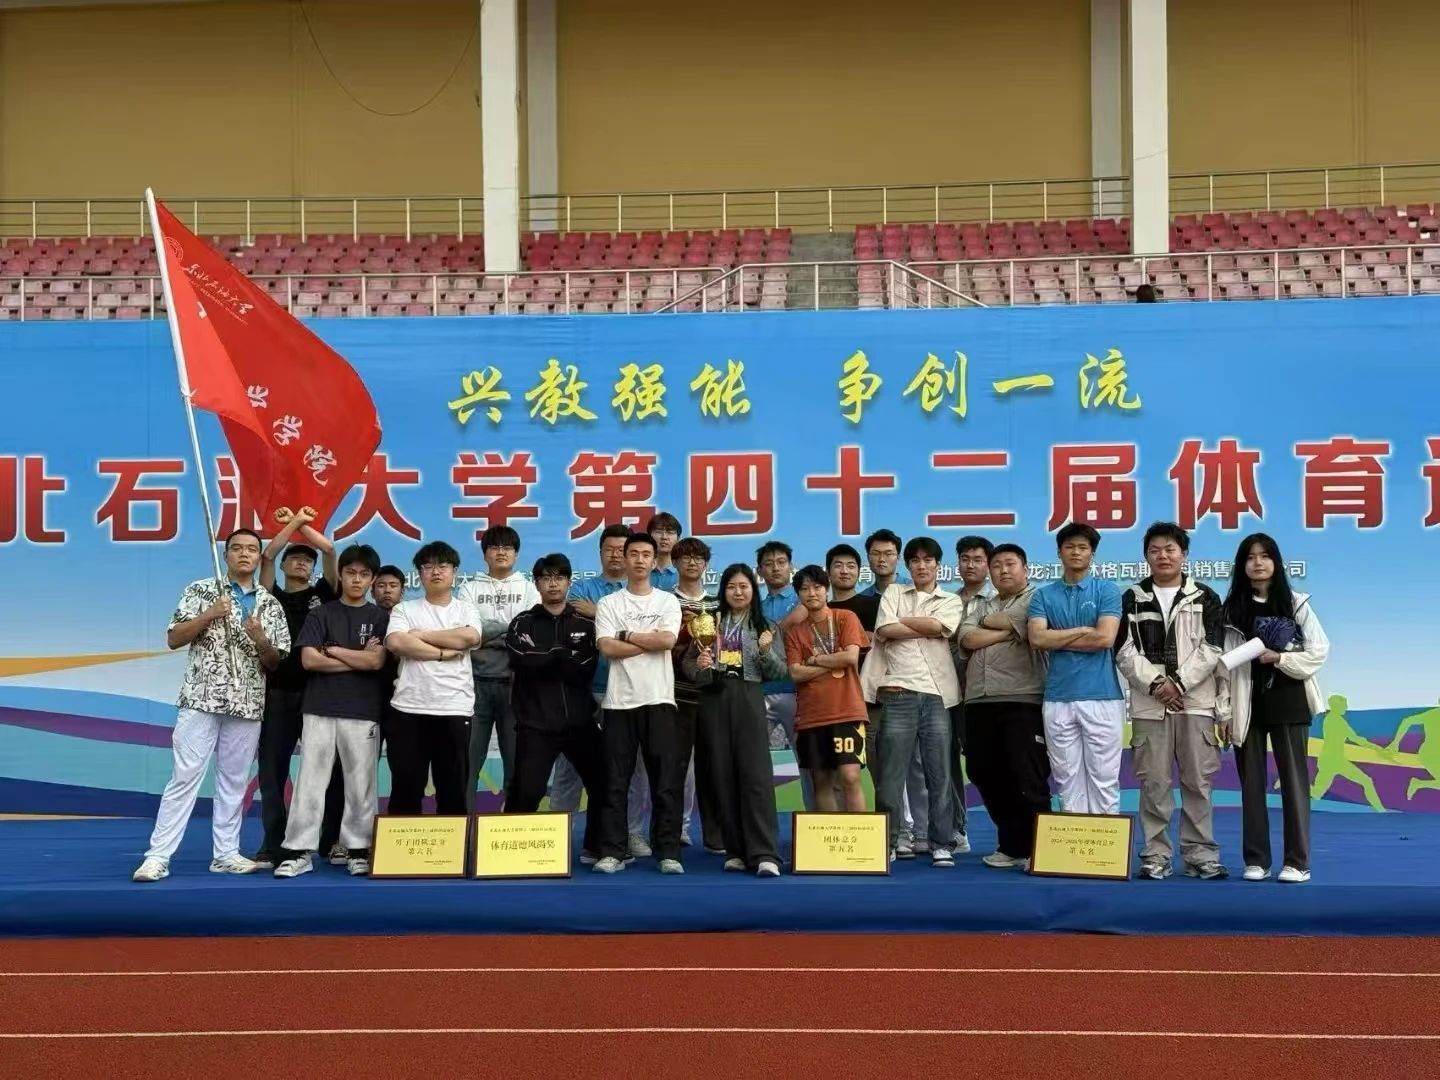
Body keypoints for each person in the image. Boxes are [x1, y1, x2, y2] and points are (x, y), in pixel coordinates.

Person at [132, 529, 290, 882]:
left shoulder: (270, 604)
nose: (244, 554)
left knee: (233, 781)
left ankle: (226, 854)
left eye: (252, 549)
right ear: (226, 555)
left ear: (260, 556)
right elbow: (174, 638)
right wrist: (209, 615)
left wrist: (260, 639)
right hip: (200, 698)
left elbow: (274, 662)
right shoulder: (200, 590)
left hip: (247, 703)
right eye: (237, 548)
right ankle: (157, 857)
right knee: (184, 777)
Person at [1116, 522, 1228, 881]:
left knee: (1198, 782)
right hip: (1150, 706)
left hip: (1196, 704)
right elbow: (1123, 650)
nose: (1163, 556)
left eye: (1170, 549)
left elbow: (1212, 647)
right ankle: (1156, 855)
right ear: (1145, 556)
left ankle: (1201, 855)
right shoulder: (1131, 597)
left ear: (1184, 554)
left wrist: (1178, 683)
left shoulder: (1205, 596)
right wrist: (1157, 685)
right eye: (1155, 550)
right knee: (1154, 784)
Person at [274, 544, 390, 879]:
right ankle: (298, 850)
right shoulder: (321, 614)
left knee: (361, 784)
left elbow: (376, 662)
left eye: (364, 574)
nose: (357, 579)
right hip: (319, 707)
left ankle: (358, 849)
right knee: (310, 780)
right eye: (350, 572)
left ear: (372, 579)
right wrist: (357, 658)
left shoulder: (380, 618)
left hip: (362, 710)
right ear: (340, 575)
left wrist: (334, 651)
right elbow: (310, 660)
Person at [1222, 532, 1329, 884]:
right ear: (1242, 565)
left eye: (1265, 556)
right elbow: (1223, 666)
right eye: (1250, 557)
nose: (1258, 563)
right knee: (1251, 785)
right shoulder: (1232, 609)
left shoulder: (1296, 603)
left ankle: (1297, 862)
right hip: (1247, 703)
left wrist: (1280, 658)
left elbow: (1319, 651)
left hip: (1289, 699)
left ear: (1276, 562)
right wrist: (1224, 711)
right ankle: (1257, 860)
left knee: (1294, 785)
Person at [862, 537, 964, 866]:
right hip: (896, 692)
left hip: (936, 695)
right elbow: (885, 629)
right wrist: (920, 626)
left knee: (939, 774)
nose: (922, 566)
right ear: (907, 565)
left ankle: (941, 843)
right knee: (890, 776)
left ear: (938, 565)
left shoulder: (950, 599)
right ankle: (889, 841)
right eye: (915, 560)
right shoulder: (893, 592)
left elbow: (939, 626)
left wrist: (901, 622)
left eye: (928, 560)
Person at [253, 507, 343, 869]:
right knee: (272, 771)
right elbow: (267, 555)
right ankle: (274, 841)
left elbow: (330, 551)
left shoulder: (324, 593)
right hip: (278, 693)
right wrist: (293, 523)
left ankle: (330, 838)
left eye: (308, 560)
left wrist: (304, 523)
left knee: (328, 769)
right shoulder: (269, 595)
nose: (302, 563)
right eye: (296, 558)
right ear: (285, 565)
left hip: (320, 693)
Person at [683, 563, 785, 876]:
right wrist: (701, 665)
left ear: (753, 590)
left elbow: (779, 672)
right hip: (714, 698)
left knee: (755, 776)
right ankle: (736, 850)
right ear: (723, 591)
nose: (738, 592)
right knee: (721, 774)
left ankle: (764, 852)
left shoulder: (766, 625)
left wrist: (765, 651)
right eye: (731, 587)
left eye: (743, 586)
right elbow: (688, 664)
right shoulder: (709, 622)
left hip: (748, 697)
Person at [591, 532, 684, 874]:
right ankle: (613, 852)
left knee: (665, 781)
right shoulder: (609, 604)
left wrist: (627, 635)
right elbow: (607, 647)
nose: (640, 559)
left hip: (659, 699)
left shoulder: (667, 601)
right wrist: (648, 641)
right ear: (625, 559)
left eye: (647, 554)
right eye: (634, 554)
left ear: (654, 560)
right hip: (619, 703)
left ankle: (668, 852)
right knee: (615, 782)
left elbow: (668, 641)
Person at [504, 553, 606, 863]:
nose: (553, 583)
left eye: (559, 577)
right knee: (526, 790)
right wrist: (562, 654)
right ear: (536, 584)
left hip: (580, 722)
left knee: (603, 782)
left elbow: (585, 666)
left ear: (568, 582)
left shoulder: (586, 624)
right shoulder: (522, 621)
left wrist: (546, 655)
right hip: (535, 723)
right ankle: (510, 851)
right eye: (546, 578)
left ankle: (596, 847)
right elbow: (521, 660)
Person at [958, 543, 1049, 869]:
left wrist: (993, 625)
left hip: (1022, 698)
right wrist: (1008, 631)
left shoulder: (1038, 599)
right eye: (996, 566)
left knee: (1026, 776)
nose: (1003, 571)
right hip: (978, 700)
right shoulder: (981, 604)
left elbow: (1023, 622)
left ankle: (1040, 849)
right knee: (983, 771)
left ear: (1026, 569)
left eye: (1010, 564)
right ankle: (1012, 845)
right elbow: (967, 638)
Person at [1027, 522, 1125, 815]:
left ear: (1092, 554)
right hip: (1058, 697)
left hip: (1102, 696)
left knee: (1104, 779)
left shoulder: (1107, 590)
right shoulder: (1043, 595)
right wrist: (1083, 630)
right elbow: (1037, 639)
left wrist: (1057, 638)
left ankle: (1103, 843)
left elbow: (1104, 638)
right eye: (1069, 546)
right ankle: (1074, 842)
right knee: (1066, 780)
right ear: (1059, 552)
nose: (1076, 552)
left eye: (1083, 547)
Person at [383, 541, 483, 815]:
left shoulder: (465, 609)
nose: (436, 572)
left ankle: (453, 844)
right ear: (419, 574)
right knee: (405, 789)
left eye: (443, 566)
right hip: (408, 708)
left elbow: (469, 637)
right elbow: (397, 642)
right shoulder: (405, 609)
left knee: (452, 790)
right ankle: (404, 843)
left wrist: (421, 635)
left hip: (453, 708)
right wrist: (441, 654)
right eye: (428, 566)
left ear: (455, 572)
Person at [459, 524, 538, 808]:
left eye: (507, 547)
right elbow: (467, 632)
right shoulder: (468, 589)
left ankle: (510, 825)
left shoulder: (529, 588)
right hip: (474, 684)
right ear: (485, 554)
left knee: (516, 764)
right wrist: (508, 630)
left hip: (515, 686)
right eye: (494, 547)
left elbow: (529, 634)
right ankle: (464, 825)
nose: (501, 552)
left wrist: (486, 633)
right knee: (467, 764)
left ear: (516, 554)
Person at [785, 565, 869, 815]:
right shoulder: (795, 632)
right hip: (811, 716)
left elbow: (850, 657)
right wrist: (832, 661)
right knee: (821, 780)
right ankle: (830, 838)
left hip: (847, 712)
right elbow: (795, 673)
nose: (812, 593)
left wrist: (813, 660)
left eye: (817, 587)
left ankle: (857, 836)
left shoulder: (845, 617)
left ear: (827, 589)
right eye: (805, 589)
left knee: (850, 776)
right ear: (798, 594)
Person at [862, 528, 923, 852]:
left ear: (898, 558)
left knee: (917, 765)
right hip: (875, 689)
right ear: (868, 558)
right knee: (884, 765)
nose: (882, 559)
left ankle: (922, 832)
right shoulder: (862, 600)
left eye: (888, 553)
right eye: (876, 554)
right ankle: (894, 832)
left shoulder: (915, 593)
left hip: (914, 685)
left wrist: (887, 631)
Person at [672, 537, 722, 852]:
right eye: (686, 557)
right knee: (681, 766)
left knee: (715, 765)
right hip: (677, 693)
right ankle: (678, 828)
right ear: (674, 562)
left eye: (699, 558)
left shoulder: (718, 603)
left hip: (714, 694)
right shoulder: (664, 600)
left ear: (706, 564)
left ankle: (716, 834)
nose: (693, 563)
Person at [827, 543, 882, 801]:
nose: (844, 571)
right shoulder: (820, 609)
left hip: (872, 699)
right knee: (839, 775)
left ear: (860, 572)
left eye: (851, 566)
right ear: (828, 572)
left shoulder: (875, 604)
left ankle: (892, 825)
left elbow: (882, 642)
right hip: (835, 702)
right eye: (838, 565)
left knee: (882, 771)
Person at [757, 540, 810, 806]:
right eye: (768, 564)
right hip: (760, 691)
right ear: (760, 571)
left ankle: (815, 822)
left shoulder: (805, 599)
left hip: (797, 691)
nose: (775, 568)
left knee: (807, 763)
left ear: (791, 567)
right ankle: (758, 824)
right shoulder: (755, 605)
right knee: (755, 764)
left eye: (781, 562)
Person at [647, 511, 683, 592]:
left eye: (670, 532)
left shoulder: (684, 573)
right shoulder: (641, 570)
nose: (664, 537)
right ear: (649, 536)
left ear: (678, 538)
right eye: (658, 532)